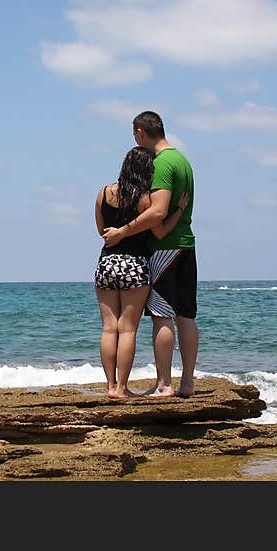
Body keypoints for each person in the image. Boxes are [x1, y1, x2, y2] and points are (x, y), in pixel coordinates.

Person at [101, 111, 197, 398]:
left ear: (140, 132)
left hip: (164, 248)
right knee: (186, 315)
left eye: (134, 135)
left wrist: (122, 232)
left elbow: (156, 212)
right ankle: (188, 382)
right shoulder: (183, 160)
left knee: (161, 316)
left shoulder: (163, 162)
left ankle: (165, 383)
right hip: (185, 244)